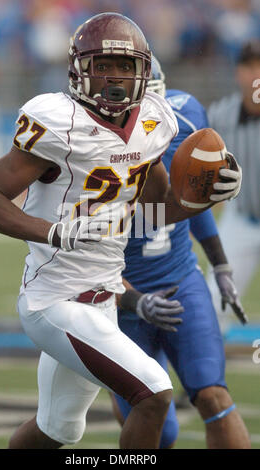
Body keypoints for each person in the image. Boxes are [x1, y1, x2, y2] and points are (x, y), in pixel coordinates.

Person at [0, 13, 242, 450]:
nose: (115, 76)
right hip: (53, 300)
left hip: (104, 298)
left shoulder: (154, 122)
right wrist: (55, 233)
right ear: (80, 70)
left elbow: (158, 210)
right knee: (154, 391)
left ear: (143, 71)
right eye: (103, 65)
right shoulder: (59, 123)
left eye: (126, 66)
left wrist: (207, 194)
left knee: (57, 430)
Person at [111, 56, 251, 449]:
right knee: (162, 427)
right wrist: (134, 301)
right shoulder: (91, 152)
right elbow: (94, 243)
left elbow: (192, 204)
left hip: (181, 281)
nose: (148, 124)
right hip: (118, 299)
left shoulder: (187, 119)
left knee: (213, 396)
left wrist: (220, 264)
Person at [207, 39, 260, 334]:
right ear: (238, 72)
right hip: (241, 217)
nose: (256, 74)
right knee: (215, 300)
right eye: (250, 66)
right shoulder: (221, 116)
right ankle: (207, 375)